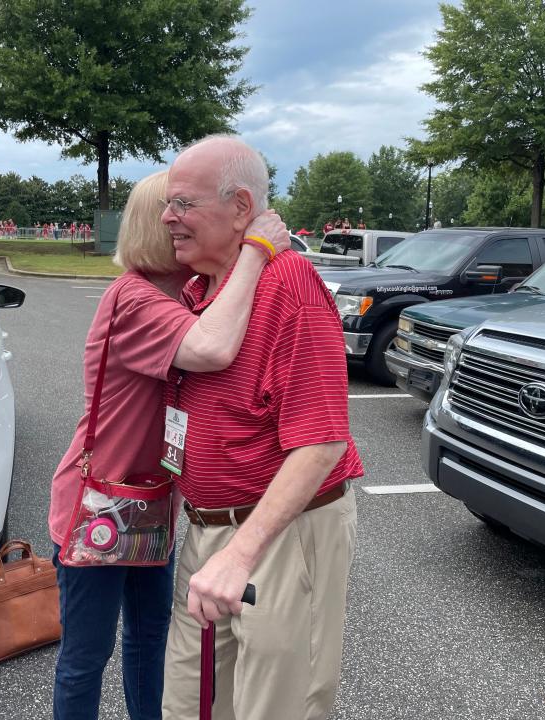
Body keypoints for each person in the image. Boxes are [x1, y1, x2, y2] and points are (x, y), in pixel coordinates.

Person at [48, 169, 290, 720]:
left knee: (150, 637)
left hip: (152, 501)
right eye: (179, 209)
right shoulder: (133, 299)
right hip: (99, 505)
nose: (183, 221)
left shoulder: (180, 293)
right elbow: (211, 350)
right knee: (86, 656)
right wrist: (255, 250)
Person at [159, 135, 363, 720]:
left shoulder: (290, 281)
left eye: (184, 204)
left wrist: (240, 554)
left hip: (278, 533)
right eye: (168, 205)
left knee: (276, 708)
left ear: (241, 208)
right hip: (208, 531)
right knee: (188, 702)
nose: (169, 218)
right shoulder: (200, 290)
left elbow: (321, 442)